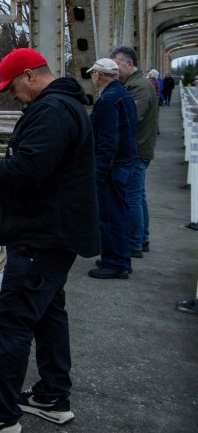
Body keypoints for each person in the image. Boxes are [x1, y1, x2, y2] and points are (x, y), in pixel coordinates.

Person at [0, 48, 99, 433]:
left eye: (13, 87)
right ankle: (52, 395)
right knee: (49, 313)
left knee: (13, 323)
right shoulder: (66, 106)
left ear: (30, 75)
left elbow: (30, 169)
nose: (12, 96)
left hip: (39, 237)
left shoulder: (51, 111)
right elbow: (40, 164)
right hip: (56, 233)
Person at [86, 58, 138, 280]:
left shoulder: (108, 100)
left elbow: (108, 141)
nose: (92, 79)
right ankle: (121, 258)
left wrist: (99, 171)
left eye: (92, 75)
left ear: (98, 75)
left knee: (110, 215)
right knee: (120, 213)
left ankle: (115, 262)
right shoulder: (123, 94)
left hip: (113, 168)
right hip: (125, 163)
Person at [111, 46, 158, 258]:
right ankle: (142, 238)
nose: (114, 68)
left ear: (129, 64)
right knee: (138, 196)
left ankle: (134, 243)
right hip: (141, 147)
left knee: (132, 198)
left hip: (137, 149)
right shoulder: (136, 84)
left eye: (117, 64)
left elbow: (130, 117)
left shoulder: (138, 86)